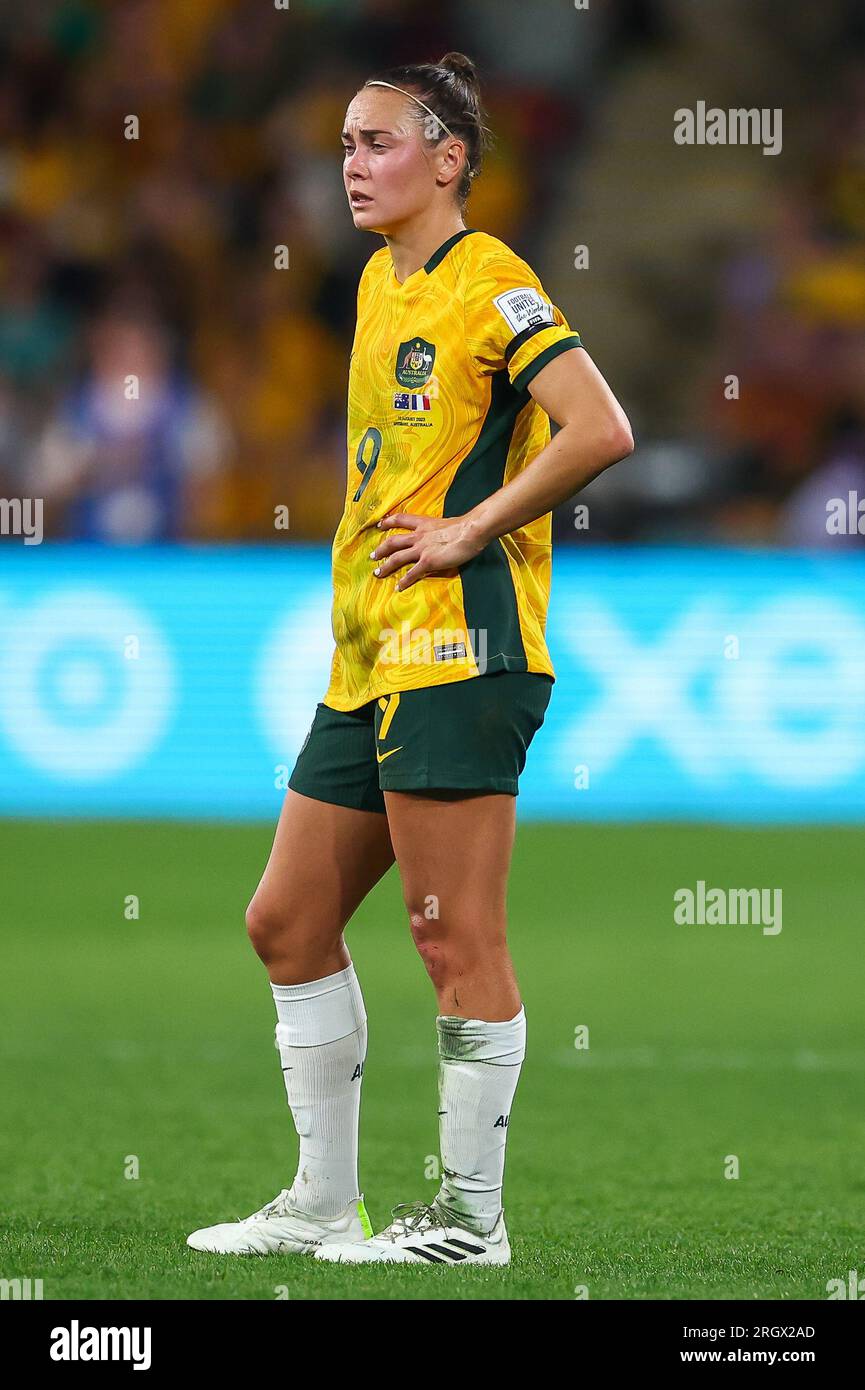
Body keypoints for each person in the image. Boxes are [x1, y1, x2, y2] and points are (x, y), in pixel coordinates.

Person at [188, 51, 633, 1267]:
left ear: (449, 160)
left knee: (452, 935)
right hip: (370, 653)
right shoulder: (382, 286)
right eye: (343, 145)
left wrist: (471, 528)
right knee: (284, 920)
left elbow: (601, 426)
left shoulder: (491, 282)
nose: (351, 165)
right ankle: (324, 1199)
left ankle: (470, 1220)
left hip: (464, 643)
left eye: (378, 142)